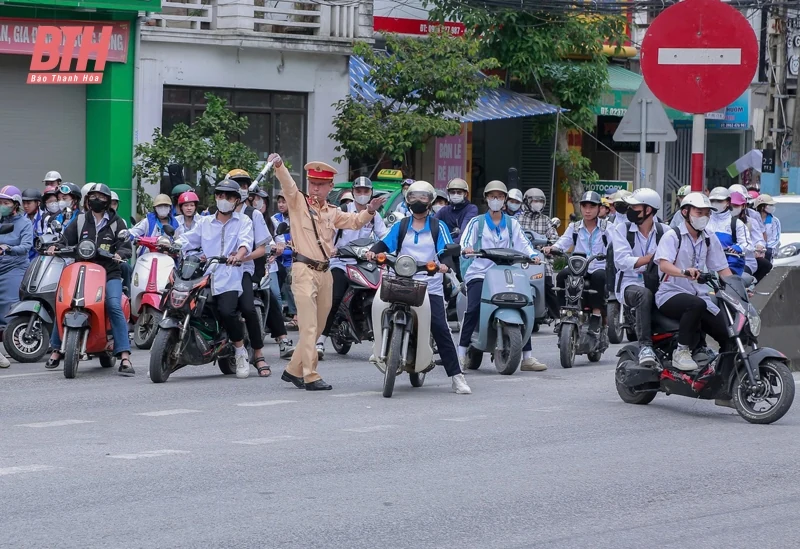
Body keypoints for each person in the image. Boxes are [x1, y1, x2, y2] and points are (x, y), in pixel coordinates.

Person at [268, 153, 387, 391]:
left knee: (320, 326)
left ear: (330, 186)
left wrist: (371, 211)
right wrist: (280, 166)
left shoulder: (333, 211)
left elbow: (354, 222)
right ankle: (310, 375)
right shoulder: (298, 202)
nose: (315, 189)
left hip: (325, 272)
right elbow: (289, 186)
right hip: (303, 269)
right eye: (313, 184)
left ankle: (292, 370)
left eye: (321, 185)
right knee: (309, 326)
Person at [366, 181, 471, 394]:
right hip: (399, 280)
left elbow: (445, 252)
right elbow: (384, 244)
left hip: (428, 285)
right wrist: (372, 252)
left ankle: (457, 376)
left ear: (430, 201)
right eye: (414, 197)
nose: (418, 201)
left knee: (441, 328)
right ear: (407, 200)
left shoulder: (437, 226)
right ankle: (378, 348)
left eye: (423, 197)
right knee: (376, 306)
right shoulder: (401, 225)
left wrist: (444, 266)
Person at [44, 184, 134, 375]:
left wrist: (120, 253)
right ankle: (56, 348)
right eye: (93, 196)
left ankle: (124, 355)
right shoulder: (80, 220)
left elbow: (125, 245)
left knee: (114, 305)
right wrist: (55, 246)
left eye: (101, 197)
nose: (97, 200)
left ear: (108, 201)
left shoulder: (118, 223)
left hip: (109, 273)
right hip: (81, 271)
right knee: (62, 302)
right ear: (87, 199)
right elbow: (65, 240)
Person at [460, 181, 545, 372]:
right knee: (473, 307)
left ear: (505, 200)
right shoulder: (477, 222)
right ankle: (461, 353)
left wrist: (533, 256)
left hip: (506, 272)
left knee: (523, 302)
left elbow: (524, 244)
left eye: (499, 196)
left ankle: (527, 357)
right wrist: (467, 249)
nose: (495, 200)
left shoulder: (512, 223)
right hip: (480, 272)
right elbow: (465, 241)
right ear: (486, 199)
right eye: (492, 196)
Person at [175, 179, 254, 378]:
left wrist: (238, 255)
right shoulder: (204, 222)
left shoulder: (243, 221)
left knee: (227, 312)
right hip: (205, 273)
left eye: (228, 196)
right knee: (183, 302)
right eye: (220, 195)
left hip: (229, 273)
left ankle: (239, 350)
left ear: (236, 200)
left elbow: (246, 243)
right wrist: (168, 242)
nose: (223, 200)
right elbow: (188, 239)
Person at [654, 192, 732, 371]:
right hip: (670, 294)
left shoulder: (709, 237)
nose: (704, 217)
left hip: (700, 297)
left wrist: (740, 288)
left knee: (728, 334)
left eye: (707, 213)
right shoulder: (673, 235)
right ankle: (681, 352)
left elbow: (723, 269)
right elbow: (664, 265)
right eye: (699, 212)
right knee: (695, 304)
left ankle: (724, 377)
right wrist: (683, 272)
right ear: (685, 212)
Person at [319, 176, 388, 358]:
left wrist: (386, 251)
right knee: (334, 298)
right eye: (359, 191)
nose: (363, 195)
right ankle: (321, 340)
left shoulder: (375, 214)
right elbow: (327, 234)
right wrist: (331, 249)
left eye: (366, 191)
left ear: (371, 193)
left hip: (364, 263)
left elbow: (384, 236)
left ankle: (383, 340)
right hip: (341, 263)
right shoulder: (342, 211)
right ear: (353, 192)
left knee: (382, 293)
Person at [610, 188, 668, 367]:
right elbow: (621, 261)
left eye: (635, 206)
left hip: (659, 284)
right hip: (629, 285)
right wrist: (651, 258)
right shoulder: (622, 229)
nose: (630, 210)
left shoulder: (665, 231)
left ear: (648, 209)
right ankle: (645, 346)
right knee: (644, 294)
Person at [544, 191, 608, 335]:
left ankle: (596, 316)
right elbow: (562, 243)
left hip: (599, 266)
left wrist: (612, 253)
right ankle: (563, 314)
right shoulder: (574, 227)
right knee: (561, 276)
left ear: (599, 208)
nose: (587, 210)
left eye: (592, 206)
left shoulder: (607, 227)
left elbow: (615, 245)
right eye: (584, 206)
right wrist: (551, 248)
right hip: (578, 267)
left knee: (599, 277)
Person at [0, 186, 34, 368]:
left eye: (6, 203)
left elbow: (27, 246)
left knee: (9, 305)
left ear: (15, 205)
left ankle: (14, 344)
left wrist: (8, 248)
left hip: (15, 267)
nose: (2, 206)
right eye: (0, 202)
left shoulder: (25, 223)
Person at [518, 188, 560, 322]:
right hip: (521, 259)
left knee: (548, 286)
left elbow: (554, 238)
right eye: (535, 201)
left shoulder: (546, 220)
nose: (538, 203)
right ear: (527, 202)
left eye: (541, 201)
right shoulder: (517, 220)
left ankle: (557, 318)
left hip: (542, 259)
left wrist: (549, 247)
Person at [707, 187, 750, 276]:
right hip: (706, 266)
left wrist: (738, 247)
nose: (715, 203)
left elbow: (748, 245)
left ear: (727, 202)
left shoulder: (736, 223)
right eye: (713, 201)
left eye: (719, 201)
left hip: (729, 267)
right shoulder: (705, 221)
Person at [730, 190, 771, 282]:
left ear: (743, 206)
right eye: (731, 205)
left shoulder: (750, 222)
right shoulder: (719, 223)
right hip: (723, 262)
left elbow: (757, 241)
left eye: (736, 205)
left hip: (745, 261)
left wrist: (759, 246)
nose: (733, 208)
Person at [272, 192, 297, 327]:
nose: (281, 205)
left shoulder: (298, 218)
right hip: (279, 258)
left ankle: (296, 316)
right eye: (279, 202)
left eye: (284, 202)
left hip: (295, 258)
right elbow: (279, 242)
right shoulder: (275, 219)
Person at [435, 178, 479, 243]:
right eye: (452, 192)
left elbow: (464, 234)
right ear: (449, 194)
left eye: (459, 192)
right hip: (444, 247)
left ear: (465, 194)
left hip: (464, 247)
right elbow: (432, 225)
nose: (455, 195)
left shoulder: (471, 209)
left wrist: (447, 244)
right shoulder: (444, 210)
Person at [754, 194, 781, 262]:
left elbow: (776, 239)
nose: (772, 207)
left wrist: (764, 247)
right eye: (770, 205)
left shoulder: (774, 221)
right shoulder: (752, 220)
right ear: (762, 207)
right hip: (754, 248)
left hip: (768, 249)